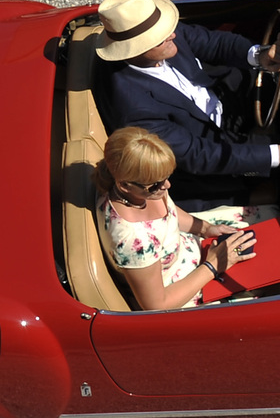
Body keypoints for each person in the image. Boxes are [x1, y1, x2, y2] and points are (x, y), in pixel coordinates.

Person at [96, 0, 280, 210]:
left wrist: (260, 55)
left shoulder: (162, 34)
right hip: (213, 144)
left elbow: (212, 42)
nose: (173, 35)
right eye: (161, 38)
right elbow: (199, 154)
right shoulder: (133, 109)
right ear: (134, 50)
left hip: (226, 98)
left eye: (168, 29)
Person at [94, 126, 265, 310]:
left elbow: (169, 212)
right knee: (271, 289)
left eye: (167, 176)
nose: (166, 186)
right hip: (185, 290)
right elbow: (157, 305)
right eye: (156, 184)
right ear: (125, 185)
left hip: (198, 253)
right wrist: (213, 264)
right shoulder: (133, 239)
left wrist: (205, 229)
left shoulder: (140, 188)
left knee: (267, 221)